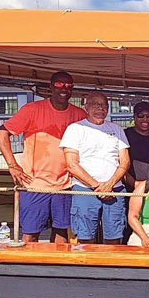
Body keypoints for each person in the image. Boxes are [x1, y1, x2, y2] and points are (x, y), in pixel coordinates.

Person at [0, 71, 87, 243]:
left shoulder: (80, 115)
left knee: (61, 232)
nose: (64, 89)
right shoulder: (32, 110)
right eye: (59, 85)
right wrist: (12, 165)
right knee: (30, 233)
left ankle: (58, 268)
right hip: (34, 184)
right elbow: (2, 132)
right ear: (51, 88)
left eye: (68, 86)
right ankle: (28, 269)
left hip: (66, 185)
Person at [59, 92, 130, 244]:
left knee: (115, 237)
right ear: (86, 107)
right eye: (95, 104)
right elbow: (71, 164)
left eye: (104, 105)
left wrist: (110, 184)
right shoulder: (75, 129)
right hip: (85, 190)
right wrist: (97, 187)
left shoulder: (117, 129)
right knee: (85, 238)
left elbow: (125, 162)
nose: (100, 108)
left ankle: (112, 268)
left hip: (115, 190)